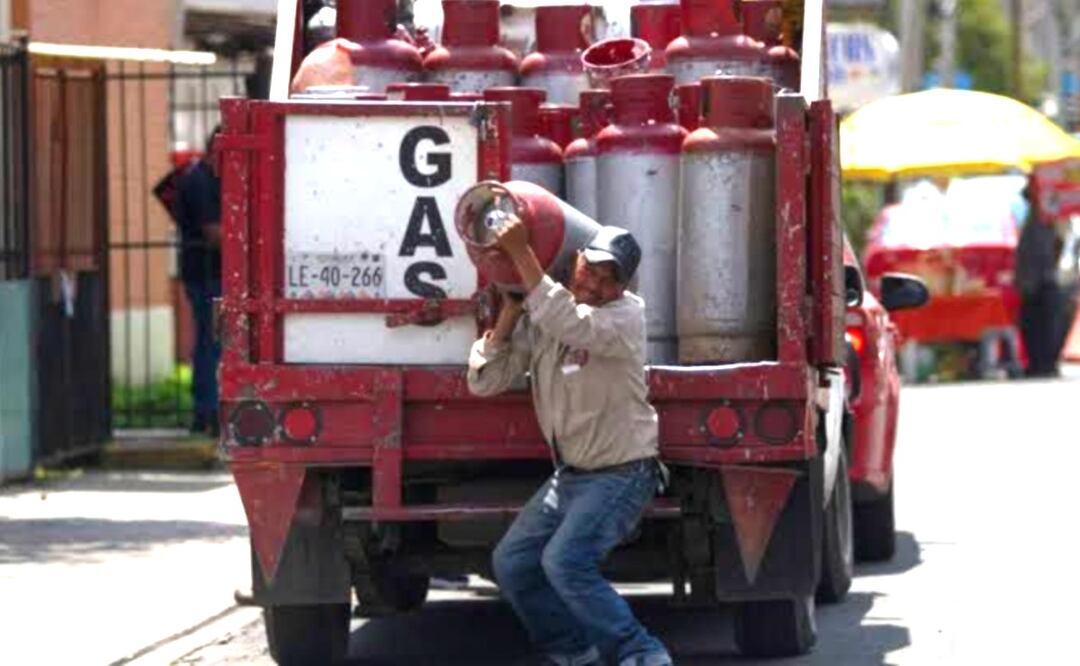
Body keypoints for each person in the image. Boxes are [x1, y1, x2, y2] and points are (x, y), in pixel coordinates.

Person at [467, 218, 672, 666]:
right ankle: (572, 651)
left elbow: (572, 323)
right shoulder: (547, 315)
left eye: (608, 279)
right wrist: (509, 313)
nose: (595, 284)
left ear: (624, 287)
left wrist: (522, 255)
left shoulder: (625, 317)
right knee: (513, 563)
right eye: (590, 269)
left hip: (623, 473)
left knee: (565, 562)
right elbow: (486, 382)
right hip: (572, 477)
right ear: (576, 260)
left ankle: (640, 651)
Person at [175, 129, 223, 435]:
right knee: (211, 342)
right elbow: (213, 232)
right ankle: (207, 411)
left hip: (209, 272)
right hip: (206, 273)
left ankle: (209, 410)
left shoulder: (205, 177)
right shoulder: (200, 180)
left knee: (212, 341)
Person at [1015, 181, 1065, 378]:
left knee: (1044, 325)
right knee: (1036, 324)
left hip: (1042, 280)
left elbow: (1053, 247)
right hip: (1034, 281)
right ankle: (1040, 363)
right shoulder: (1036, 217)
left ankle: (1044, 363)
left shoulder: (1049, 217)